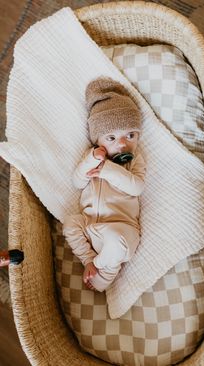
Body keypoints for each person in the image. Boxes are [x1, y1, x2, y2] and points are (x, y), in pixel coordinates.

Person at [63, 77, 146, 291]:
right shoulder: (92, 157)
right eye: (111, 138)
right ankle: (88, 260)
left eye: (130, 135)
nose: (122, 144)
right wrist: (91, 161)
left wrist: (108, 170)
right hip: (90, 224)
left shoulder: (135, 160)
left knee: (118, 243)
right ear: (97, 140)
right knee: (71, 224)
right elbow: (77, 182)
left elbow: (136, 186)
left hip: (122, 227)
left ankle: (101, 277)